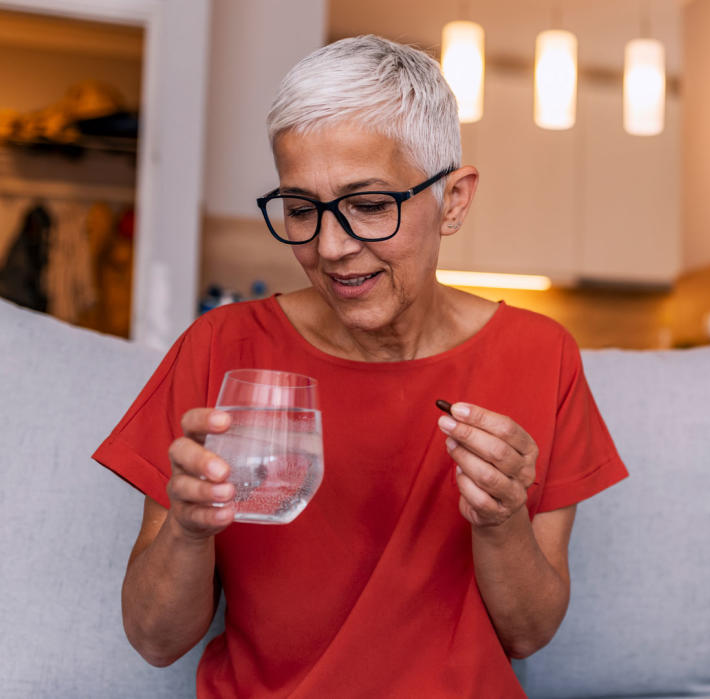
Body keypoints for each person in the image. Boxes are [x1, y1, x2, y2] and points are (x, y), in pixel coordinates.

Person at [92, 35, 627, 697]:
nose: (332, 247)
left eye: (369, 206)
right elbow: (154, 638)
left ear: (453, 200)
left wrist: (501, 519)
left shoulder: (541, 356)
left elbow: (528, 632)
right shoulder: (220, 348)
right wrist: (189, 528)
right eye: (301, 209)